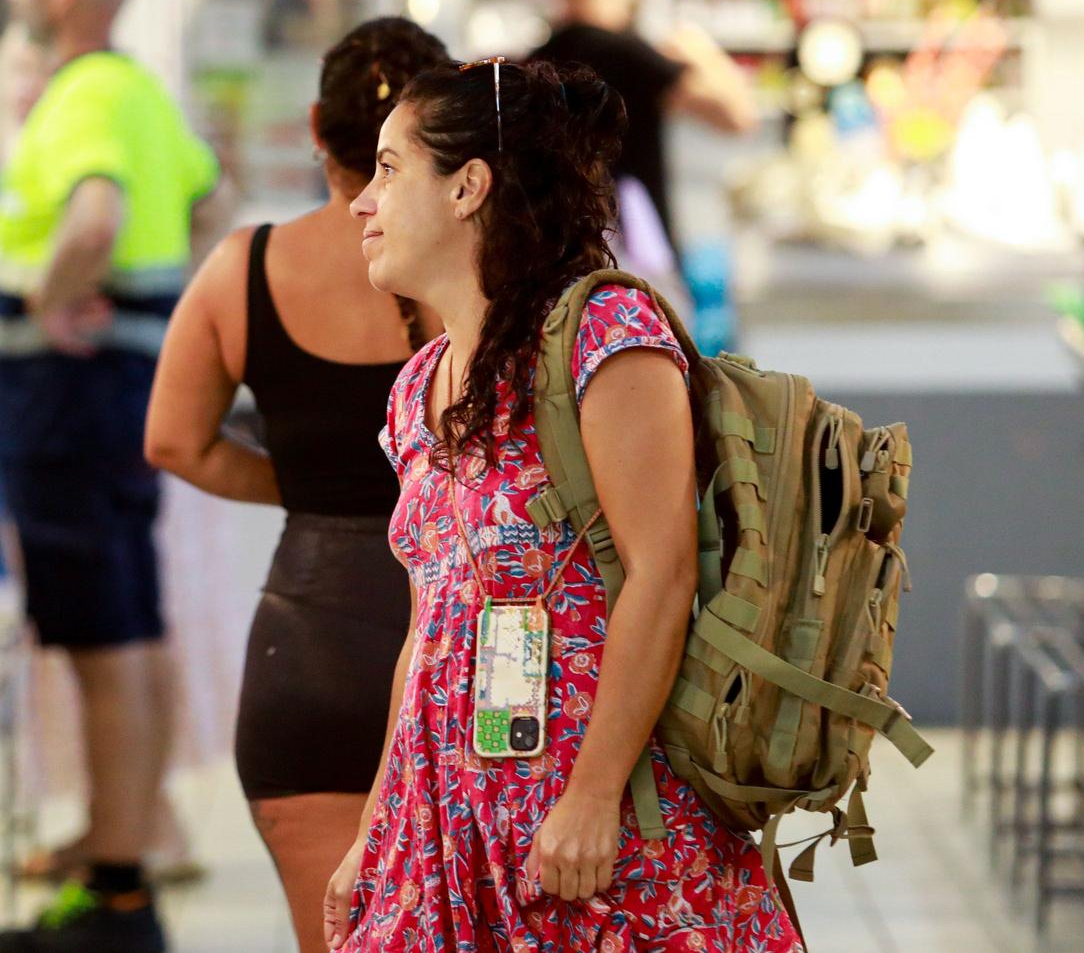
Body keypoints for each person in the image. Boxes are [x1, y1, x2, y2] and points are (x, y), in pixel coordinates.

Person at [323, 58, 801, 952]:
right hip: (449, 832)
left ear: (468, 186)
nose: (362, 199)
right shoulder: (419, 386)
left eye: (390, 169)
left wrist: (593, 791)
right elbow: (427, 624)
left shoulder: (607, 338)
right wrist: (375, 825)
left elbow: (658, 575)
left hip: (589, 831)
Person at [144, 18, 451, 953]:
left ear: (317, 125)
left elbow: (173, 441)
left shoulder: (246, 267)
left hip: (309, 642)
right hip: (458, 636)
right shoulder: (470, 267)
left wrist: (310, 487)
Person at [0, 0, 232, 953]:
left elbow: (91, 220)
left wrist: (54, 301)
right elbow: (212, 197)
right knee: (120, 614)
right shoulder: (131, 90)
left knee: (101, 632)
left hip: (71, 388)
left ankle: (120, 885)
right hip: (112, 383)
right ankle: (115, 842)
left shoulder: (87, 93)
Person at [534, 0, 760, 248]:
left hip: (566, 247)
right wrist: (701, 51)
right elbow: (738, 116)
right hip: (631, 253)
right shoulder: (626, 54)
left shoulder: (543, 56)